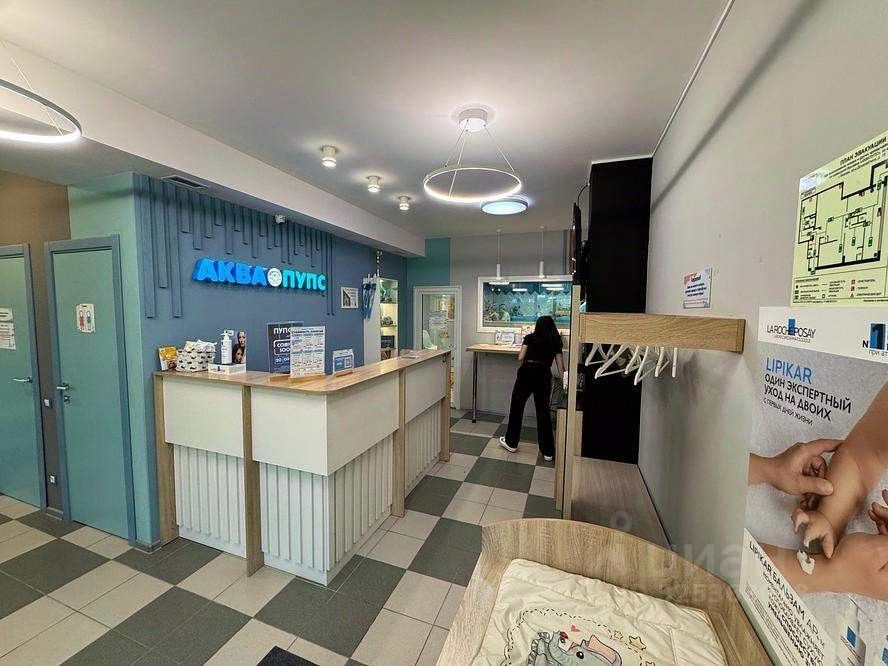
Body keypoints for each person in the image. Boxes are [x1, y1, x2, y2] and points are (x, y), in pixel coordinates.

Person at [499, 315, 565, 462]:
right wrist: (566, 384)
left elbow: (520, 357)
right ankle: (548, 451)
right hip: (543, 376)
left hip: (527, 373)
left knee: (517, 407)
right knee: (543, 412)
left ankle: (511, 443)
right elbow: (561, 368)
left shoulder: (529, 337)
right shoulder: (555, 341)